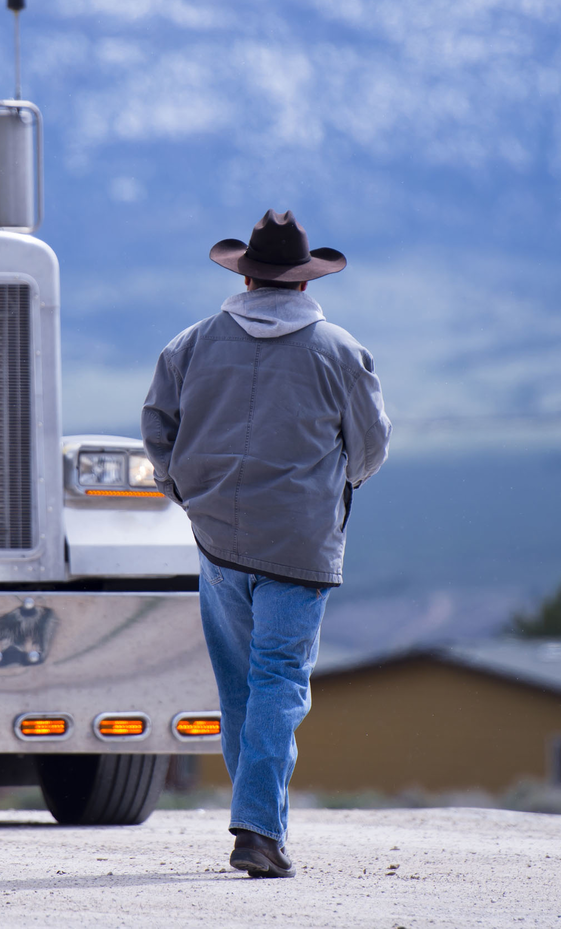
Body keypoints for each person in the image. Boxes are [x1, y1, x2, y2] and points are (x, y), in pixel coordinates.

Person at [141, 209, 391, 878]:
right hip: (301, 545)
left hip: (217, 539)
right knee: (280, 682)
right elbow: (370, 448)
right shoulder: (340, 350)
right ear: (306, 284)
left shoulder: (190, 344)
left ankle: (260, 827)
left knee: (240, 692)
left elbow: (157, 428)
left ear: (246, 275)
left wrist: (184, 491)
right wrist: (335, 487)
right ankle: (258, 830)